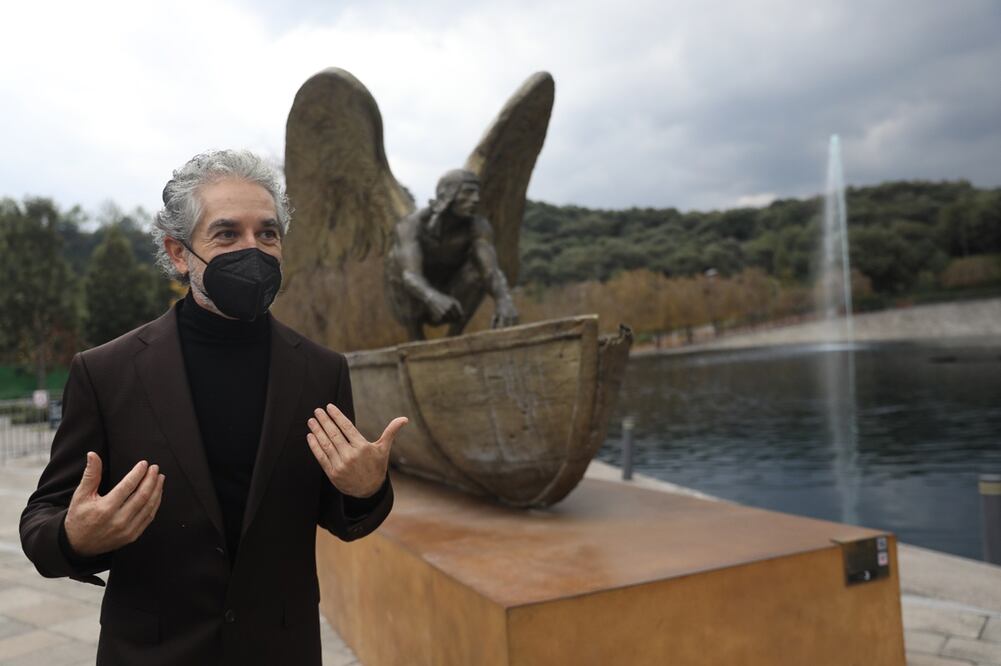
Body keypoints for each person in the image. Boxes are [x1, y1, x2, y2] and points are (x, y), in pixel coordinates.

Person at [19, 149, 407, 666]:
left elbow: (341, 517)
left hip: (280, 651)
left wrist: (365, 490)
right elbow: (41, 519)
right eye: (227, 234)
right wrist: (74, 536)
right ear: (179, 254)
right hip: (151, 653)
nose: (253, 249)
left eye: (267, 234)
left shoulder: (321, 371)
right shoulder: (106, 372)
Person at [384, 169, 519, 340]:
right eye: (468, 192)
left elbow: (490, 271)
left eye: (477, 193)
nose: (476, 199)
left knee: (477, 270)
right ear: (447, 195)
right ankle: (416, 337)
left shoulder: (478, 226)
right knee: (396, 263)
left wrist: (504, 299)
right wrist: (433, 297)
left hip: (451, 288)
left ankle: (454, 337)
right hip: (413, 296)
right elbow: (411, 275)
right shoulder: (411, 225)